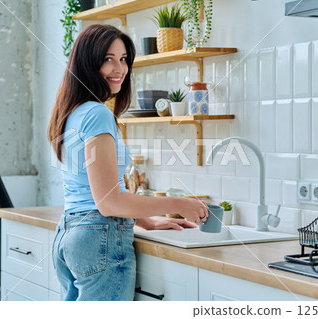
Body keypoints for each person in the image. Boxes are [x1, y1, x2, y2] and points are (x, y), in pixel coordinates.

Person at [47, 24, 208, 301]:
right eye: (108, 59)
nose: (119, 68)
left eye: (123, 59)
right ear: (87, 62)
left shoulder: (72, 111)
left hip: (70, 233)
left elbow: (98, 191)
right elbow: (108, 202)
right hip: (99, 237)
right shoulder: (97, 114)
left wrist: (147, 222)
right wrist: (179, 204)